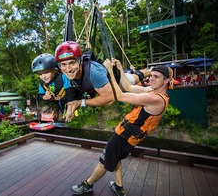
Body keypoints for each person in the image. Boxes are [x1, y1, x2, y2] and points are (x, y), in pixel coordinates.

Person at [70, 59, 173, 196]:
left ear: (166, 81)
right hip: (128, 133)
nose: (151, 78)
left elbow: (120, 96)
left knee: (105, 160)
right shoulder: (151, 91)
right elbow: (128, 87)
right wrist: (119, 68)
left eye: (156, 77)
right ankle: (119, 188)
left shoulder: (156, 99)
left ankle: (88, 185)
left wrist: (110, 72)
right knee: (116, 157)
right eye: (151, 75)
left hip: (126, 136)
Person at [54, 41, 151, 114]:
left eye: (72, 63)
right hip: (100, 82)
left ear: (79, 61)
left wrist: (81, 102)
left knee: (132, 80)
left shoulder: (93, 72)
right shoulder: (65, 74)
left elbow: (110, 99)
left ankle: (151, 70)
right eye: (63, 65)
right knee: (132, 77)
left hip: (116, 80)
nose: (68, 69)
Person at [31, 53, 77, 121]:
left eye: (46, 72)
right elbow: (41, 95)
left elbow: (70, 93)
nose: (44, 77)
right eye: (40, 74)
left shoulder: (63, 77)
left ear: (55, 70)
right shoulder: (42, 84)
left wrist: (70, 110)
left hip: (72, 101)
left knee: (73, 118)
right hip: (60, 103)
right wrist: (45, 97)